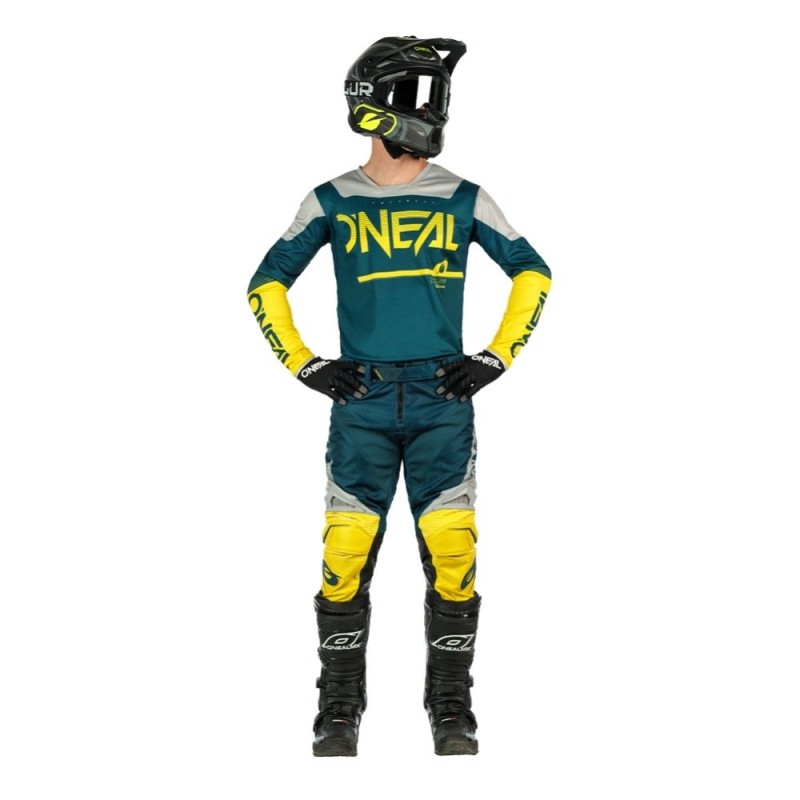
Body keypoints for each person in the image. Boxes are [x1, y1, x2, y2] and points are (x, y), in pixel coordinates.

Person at [247, 35, 552, 757]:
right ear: (373, 106)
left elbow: (534, 271)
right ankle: (338, 709)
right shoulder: (330, 199)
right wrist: (305, 365)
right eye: (419, 96)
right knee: (345, 554)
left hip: (443, 398)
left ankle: (451, 708)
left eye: (436, 96)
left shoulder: (465, 196)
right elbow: (264, 284)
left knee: (453, 554)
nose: (432, 111)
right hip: (363, 400)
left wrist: (496, 358)